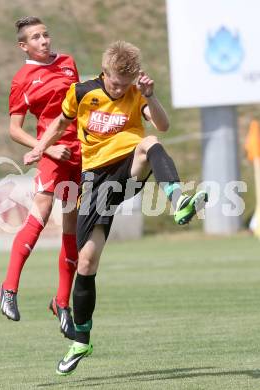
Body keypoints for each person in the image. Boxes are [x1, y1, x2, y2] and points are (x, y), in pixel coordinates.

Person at [24, 40, 208, 375]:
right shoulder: (81, 93)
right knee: (87, 262)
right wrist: (39, 148)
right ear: (104, 71)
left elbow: (162, 126)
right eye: (115, 84)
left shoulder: (137, 92)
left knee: (150, 142)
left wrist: (150, 95)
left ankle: (178, 199)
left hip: (129, 168)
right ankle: (81, 339)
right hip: (95, 181)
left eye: (127, 84)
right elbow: (60, 124)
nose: (120, 89)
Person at [0, 16, 82, 341]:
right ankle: (9, 288)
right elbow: (14, 130)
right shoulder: (23, 79)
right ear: (24, 45)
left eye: (45, 34)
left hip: (80, 154)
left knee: (74, 229)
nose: (44, 41)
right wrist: (45, 149)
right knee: (41, 215)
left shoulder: (68, 63)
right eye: (36, 37)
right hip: (52, 155)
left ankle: (61, 303)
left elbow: (77, 107)